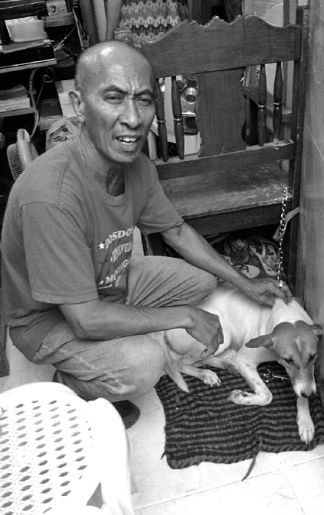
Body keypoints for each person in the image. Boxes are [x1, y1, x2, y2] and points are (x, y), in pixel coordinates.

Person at [1, 41, 291, 427]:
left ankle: (121, 327)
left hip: (108, 282)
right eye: (114, 98)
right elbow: (85, 320)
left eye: (144, 99)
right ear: (79, 103)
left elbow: (176, 230)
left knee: (203, 281)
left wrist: (245, 283)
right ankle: (73, 383)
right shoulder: (51, 197)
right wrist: (185, 318)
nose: (134, 119)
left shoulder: (135, 166)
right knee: (144, 364)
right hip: (47, 320)